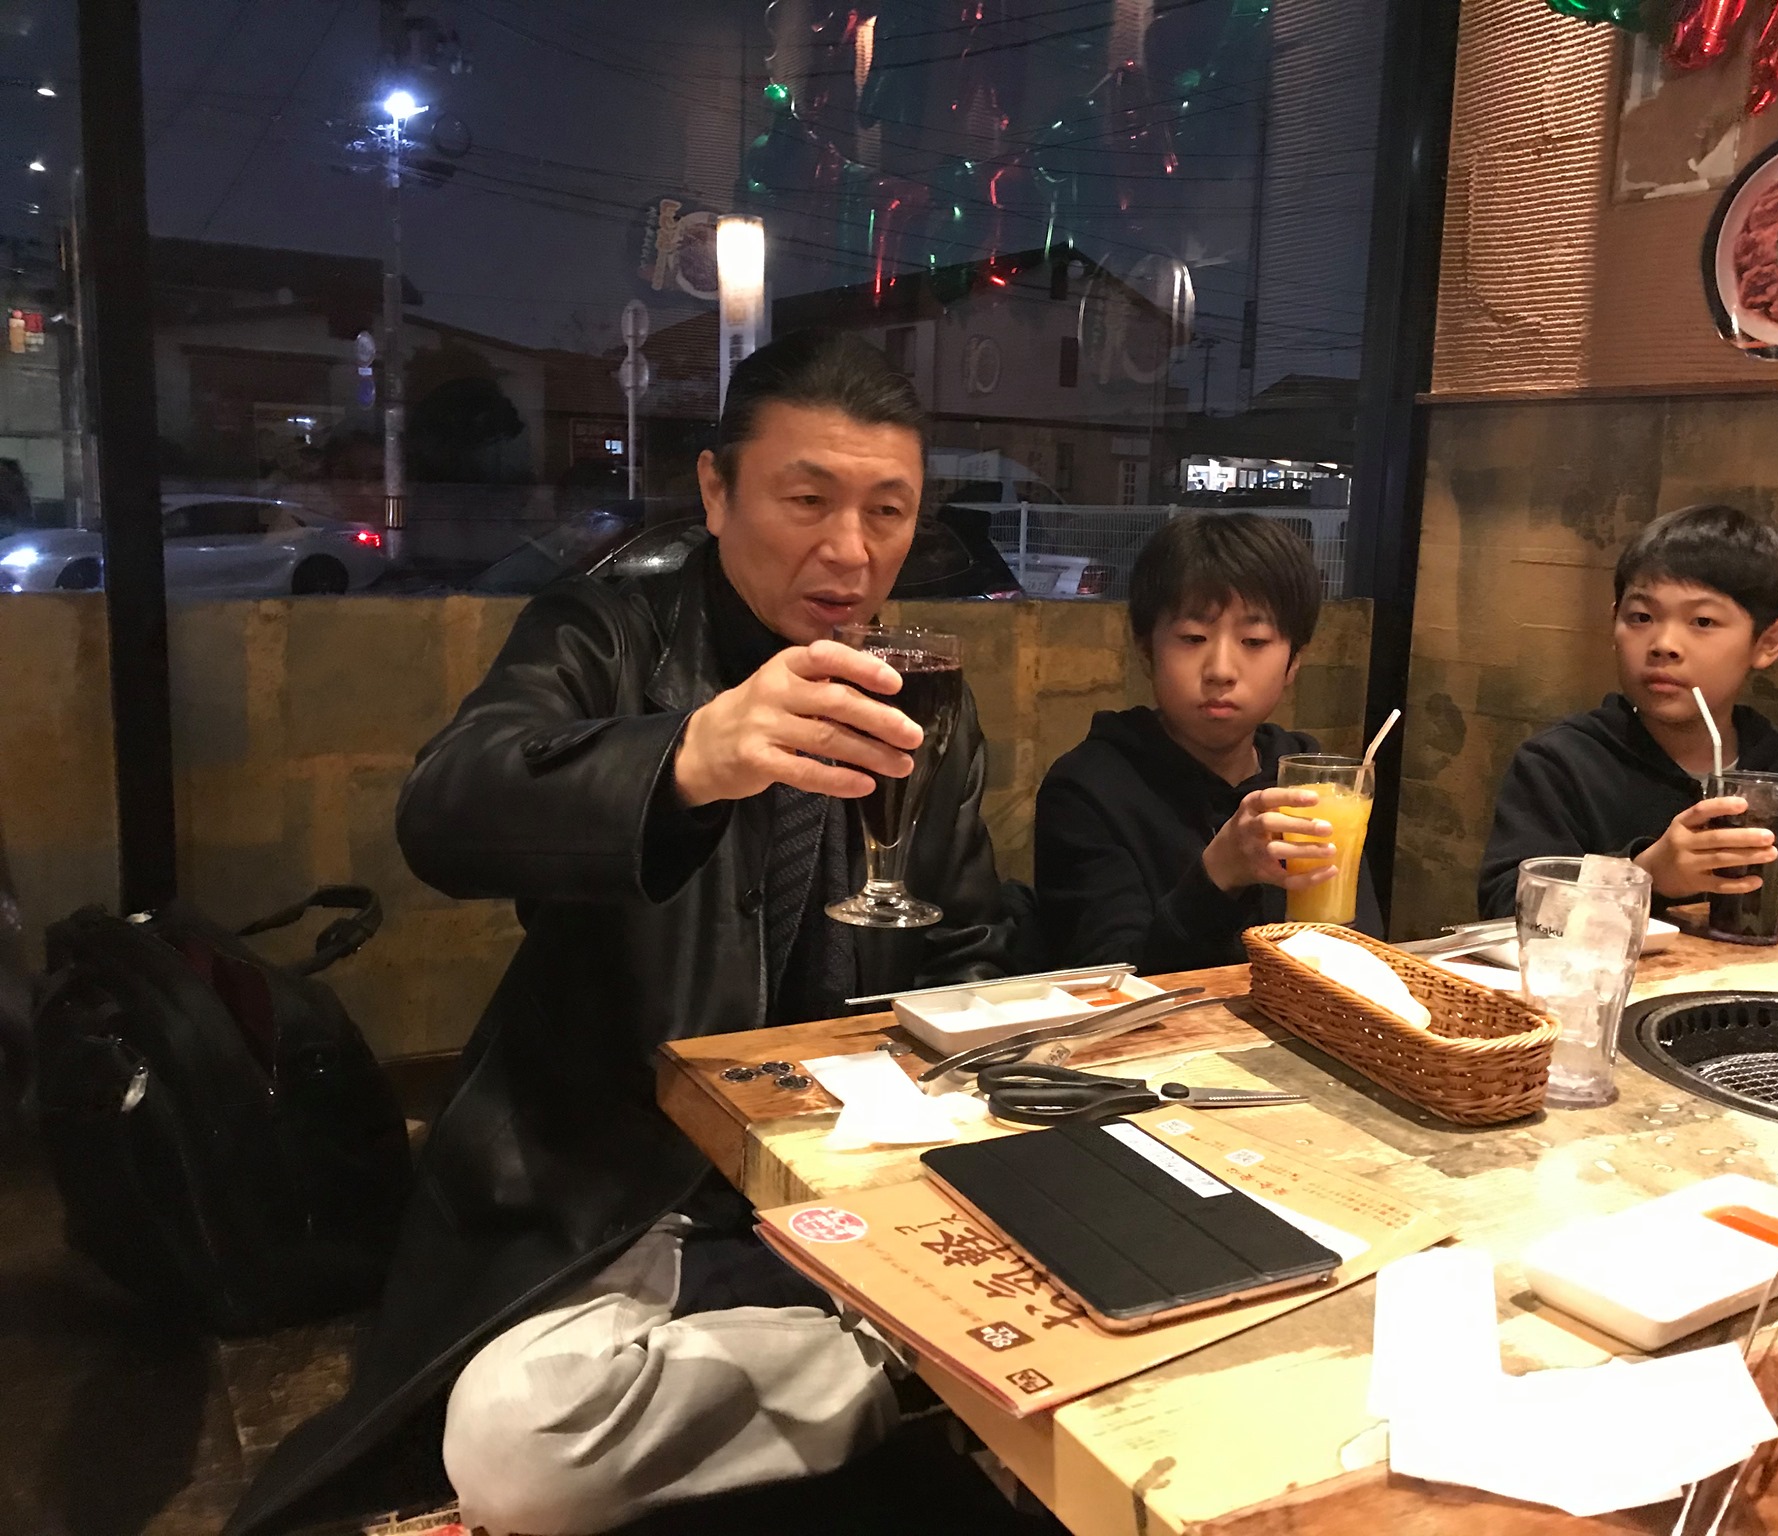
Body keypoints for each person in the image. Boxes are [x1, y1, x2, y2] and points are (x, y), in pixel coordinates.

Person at [227, 331, 1010, 1536]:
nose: (850, 551)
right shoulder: (606, 635)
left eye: (886, 511)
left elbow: (962, 951)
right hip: (621, 1191)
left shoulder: (920, 702)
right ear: (716, 491)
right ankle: (897, 1367)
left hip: (848, 1180)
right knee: (518, 1445)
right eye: (806, 500)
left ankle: (870, 1351)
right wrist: (688, 754)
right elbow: (447, 809)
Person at [1033, 512, 1384, 973]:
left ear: (1294, 661)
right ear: (1147, 650)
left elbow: (1365, 955)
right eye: (1193, 637)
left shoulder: (1311, 785)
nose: (1220, 669)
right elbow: (1105, 983)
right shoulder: (1088, 789)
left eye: (1254, 641)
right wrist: (1218, 874)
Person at [1477, 503, 1778, 920]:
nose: (1664, 644)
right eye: (1641, 617)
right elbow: (1507, 913)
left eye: (1703, 622)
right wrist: (1644, 875)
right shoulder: (1560, 764)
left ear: (1769, 643)